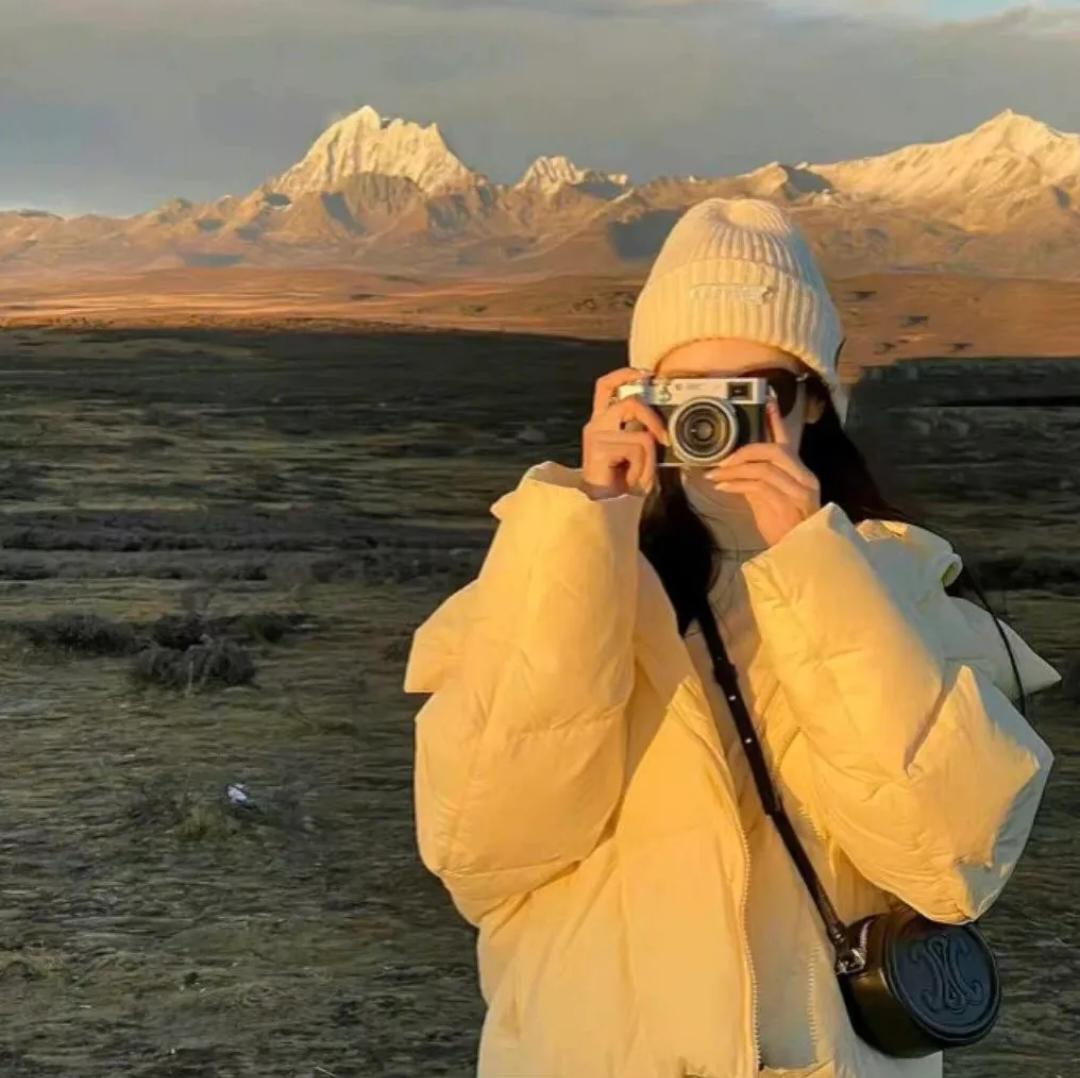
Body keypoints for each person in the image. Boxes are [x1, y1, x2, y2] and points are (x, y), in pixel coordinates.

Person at [403, 197, 1062, 1078]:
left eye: (758, 392)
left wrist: (817, 571)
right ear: (639, 398)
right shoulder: (557, 573)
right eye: (687, 394)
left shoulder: (901, 589)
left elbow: (950, 866)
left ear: (817, 403)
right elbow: (481, 851)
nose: (718, 423)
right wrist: (585, 536)